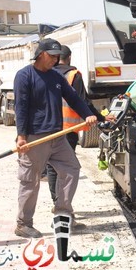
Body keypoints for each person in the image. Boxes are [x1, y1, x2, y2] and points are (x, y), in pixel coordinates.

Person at [13, 38, 98, 238]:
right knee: (30, 181)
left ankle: (62, 214)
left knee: (71, 170)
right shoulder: (24, 76)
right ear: (40, 54)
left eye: (57, 56)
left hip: (57, 137)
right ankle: (23, 224)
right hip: (35, 138)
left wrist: (88, 114)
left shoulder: (56, 77)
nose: (55, 60)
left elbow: (74, 98)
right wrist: (21, 136)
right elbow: (21, 108)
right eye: (51, 56)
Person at [45, 45, 106, 202]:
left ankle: (56, 201)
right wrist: (101, 118)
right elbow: (82, 102)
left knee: (52, 167)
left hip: (48, 128)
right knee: (67, 168)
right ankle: (62, 206)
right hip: (67, 129)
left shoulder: (46, 74)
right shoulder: (73, 75)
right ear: (69, 57)